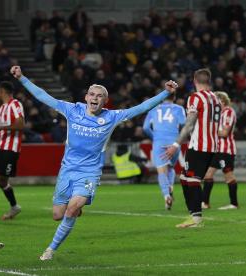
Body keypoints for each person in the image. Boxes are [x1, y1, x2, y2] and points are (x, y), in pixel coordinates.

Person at [10, 65, 177, 261]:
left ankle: (50, 249)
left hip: (89, 172)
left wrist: (165, 92)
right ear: (86, 97)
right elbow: (43, 96)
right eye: (92, 94)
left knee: (71, 210)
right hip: (68, 170)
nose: (95, 98)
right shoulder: (72, 110)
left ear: (105, 101)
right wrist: (22, 78)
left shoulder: (111, 116)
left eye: (99, 95)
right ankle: (76, 208)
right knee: (57, 215)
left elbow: (140, 108)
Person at [164, 68, 220, 228]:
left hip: (199, 145)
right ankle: (193, 214)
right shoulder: (215, 98)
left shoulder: (196, 98)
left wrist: (176, 144)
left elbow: (189, 124)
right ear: (208, 81)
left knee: (192, 179)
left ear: (194, 81)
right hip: (212, 145)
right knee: (184, 178)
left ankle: (196, 219)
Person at [0, 81, 24, 220]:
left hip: (10, 148)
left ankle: (14, 207)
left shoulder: (15, 105)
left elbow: (20, 125)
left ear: (2, 91)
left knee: (2, 180)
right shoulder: (1, 108)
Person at [143, 93, 186, 210]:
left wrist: (154, 137)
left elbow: (145, 128)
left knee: (161, 171)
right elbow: (184, 124)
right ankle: (170, 186)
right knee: (171, 167)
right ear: (175, 97)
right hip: (174, 142)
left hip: (159, 142)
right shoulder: (179, 108)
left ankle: (167, 195)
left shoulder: (153, 109)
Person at [201, 91, 238, 210]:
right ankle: (205, 203)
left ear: (221, 101)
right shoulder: (219, 114)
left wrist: (209, 131)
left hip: (225, 150)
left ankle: (234, 203)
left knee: (228, 176)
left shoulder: (228, 112)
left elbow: (225, 132)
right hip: (217, 150)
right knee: (208, 175)